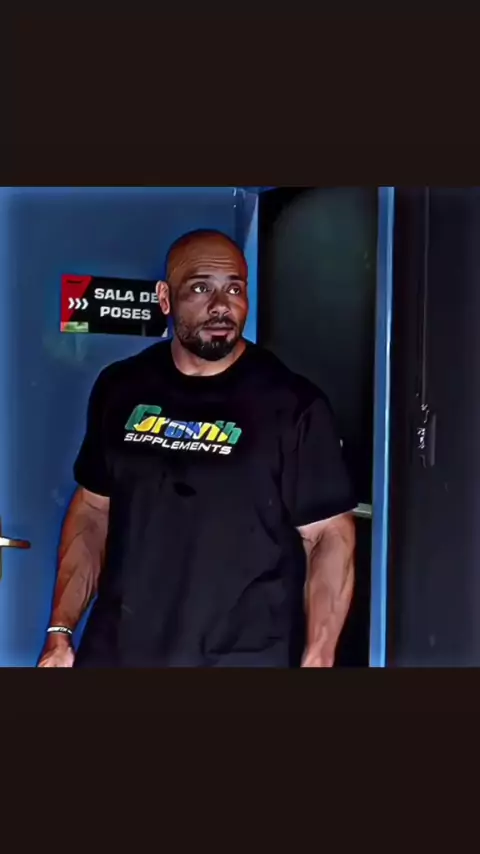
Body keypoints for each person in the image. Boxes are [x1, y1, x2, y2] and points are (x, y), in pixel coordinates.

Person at [37, 229, 356, 668]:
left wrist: (319, 655)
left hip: (243, 658)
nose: (221, 306)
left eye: (235, 289)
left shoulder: (293, 404)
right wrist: (60, 631)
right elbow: (93, 511)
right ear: (165, 298)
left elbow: (329, 536)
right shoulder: (121, 387)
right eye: (201, 288)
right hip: (120, 651)